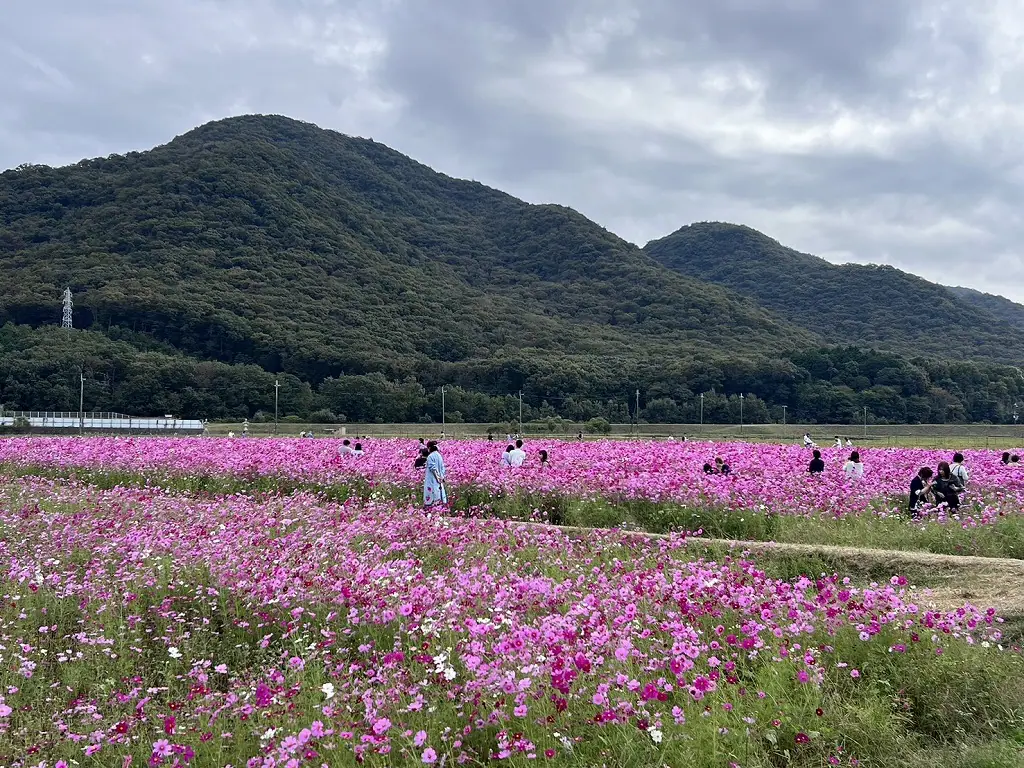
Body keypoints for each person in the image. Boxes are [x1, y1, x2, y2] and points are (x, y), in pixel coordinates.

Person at [423, 441, 447, 507]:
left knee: (432, 495)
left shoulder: (430, 456)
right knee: (439, 494)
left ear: (430, 448)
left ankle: (431, 508)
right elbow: (442, 468)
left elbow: (433, 469)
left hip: (432, 479)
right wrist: (441, 477)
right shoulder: (439, 456)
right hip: (439, 479)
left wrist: (438, 478)